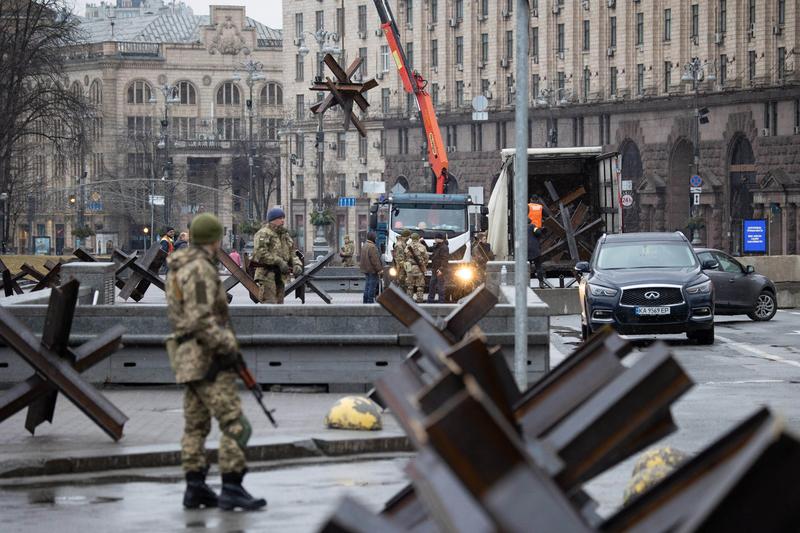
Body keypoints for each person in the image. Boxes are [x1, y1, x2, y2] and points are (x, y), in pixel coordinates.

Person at [164, 213, 266, 512]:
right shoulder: (199, 270)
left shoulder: (179, 267)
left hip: (187, 358)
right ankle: (232, 485)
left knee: (195, 426)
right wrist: (228, 348)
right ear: (212, 239)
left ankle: (195, 486)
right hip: (208, 358)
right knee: (235, 423)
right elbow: (201, 319)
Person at [251, 207, 303, 304]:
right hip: (266, 275)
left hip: (280, 275)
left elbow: (292, 252)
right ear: (272, 220)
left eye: (283, 218)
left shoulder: (284, 235)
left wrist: (297, 264)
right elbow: (260, 253)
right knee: (269, 305)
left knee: (279, 305)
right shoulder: (263, 233)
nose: (282, 220)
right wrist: (278, 261)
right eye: (280, 218)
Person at [359, 230, 383, 303]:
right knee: (372, 287)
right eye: (375, 237)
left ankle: (365, 301)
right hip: (372, 270)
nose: (376, 238)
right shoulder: (372, 247)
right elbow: (375, 260)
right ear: (373, 237)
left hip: (366, 269)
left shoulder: (365, 245)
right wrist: (380, 270)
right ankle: (370, 302)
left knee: (367, 286)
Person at [405, 232, 428, 303]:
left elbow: (404, 257)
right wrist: (424, 265)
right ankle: (419, 300)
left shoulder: (407, 246)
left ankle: (409, 301)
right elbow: (426, 258)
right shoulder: (422, 247)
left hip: (409, 268)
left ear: (411, 238)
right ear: (418, 238)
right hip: (419, 268)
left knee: (409, 286)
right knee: (420, 286)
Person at [427, 233, 450, 303]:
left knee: (440, 286)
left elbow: (445, 259)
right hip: (435, 269)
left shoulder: (444, 247)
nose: (434, 239)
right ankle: (430, 300)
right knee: (432, 285)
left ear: (439, 239)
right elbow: (429, 249)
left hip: (440, 270)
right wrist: (423, 242)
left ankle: (441, 301)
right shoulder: (437, 246)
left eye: (435, 238)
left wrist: (441, 269)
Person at [528, 219, 546, 288]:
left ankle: (526, 284)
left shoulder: (520, 228)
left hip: (525, 251)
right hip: (535, 250)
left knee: (527, 268)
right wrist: (540, 230)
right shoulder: (532, 226)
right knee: (538, 267)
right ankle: (541, 283)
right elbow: (538, 233)